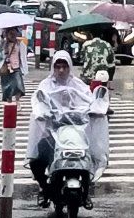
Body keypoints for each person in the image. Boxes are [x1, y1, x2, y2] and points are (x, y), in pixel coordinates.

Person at [28, 49, 101, 195]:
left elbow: (90, 100)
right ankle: (44, 187)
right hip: (53, 131)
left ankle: (87, 189)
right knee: (36, 159)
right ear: (53, 68)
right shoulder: (46, 85)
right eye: (58, 67)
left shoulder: (79, 85)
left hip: (77, 131)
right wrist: (41, 112)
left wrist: (98, 109)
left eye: (64, 66)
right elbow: (38, 101)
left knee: (92, 154)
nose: (61, 70)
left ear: (70, 67)